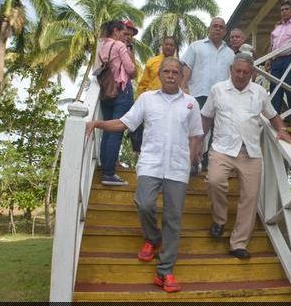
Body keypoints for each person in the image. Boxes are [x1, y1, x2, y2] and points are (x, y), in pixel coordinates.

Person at [86, 57, 203, 293]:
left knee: (173, 219)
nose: (171, 75)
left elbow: (196, 136)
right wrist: (98, 123)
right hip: (150, 163)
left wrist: (189, 162)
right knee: (144, 203)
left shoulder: (191, 103)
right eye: (166, 71)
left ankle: (165, 271)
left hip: (177, 169)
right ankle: (153, 237)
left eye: (175, 72)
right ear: (159, 75)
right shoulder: (146, 100)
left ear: (181, 77)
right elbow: (124, 123)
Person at [201, 53, 291, 259]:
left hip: (250, 151)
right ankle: (219, 219)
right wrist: (199, 142)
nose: (241, 75)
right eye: (237, 71)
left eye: (245, 72)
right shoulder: (218, 90)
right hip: (222, 148)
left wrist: (282, 129)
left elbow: (273, 115)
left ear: (252, 73)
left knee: (250, 197)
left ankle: (238, 243)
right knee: (214, 181)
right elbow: (206, 117)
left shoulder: (259, 92)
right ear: (230, 70)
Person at [96, 20, 135, 186]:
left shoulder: (102, 46)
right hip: (121, 90)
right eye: (122, 31)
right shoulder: (119, 46)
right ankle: (109, 173)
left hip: (106, 92)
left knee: (107, 128)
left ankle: (105, 167)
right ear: (116, 31)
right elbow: (131, 70)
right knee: (117, 129)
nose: (124, 35)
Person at [180, 17, 234, 109]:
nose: (218, 29)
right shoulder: (196, 46)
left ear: (225, 32)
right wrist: (181, 92)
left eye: (221, 27)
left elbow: (232, 76)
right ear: (209, 29)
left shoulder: (230, 53)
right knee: (197, 123)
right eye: (215, 26)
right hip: (198, 96)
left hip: (222, 98)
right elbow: (186, 70)